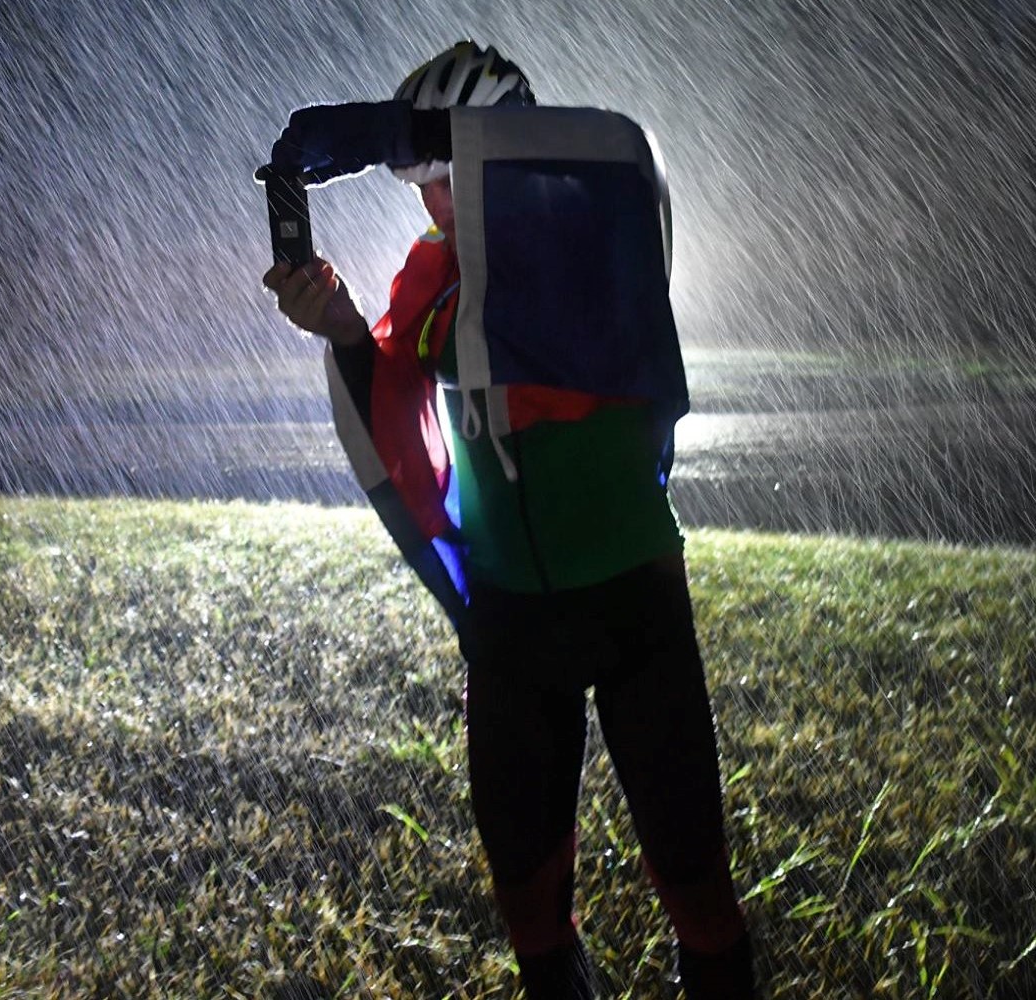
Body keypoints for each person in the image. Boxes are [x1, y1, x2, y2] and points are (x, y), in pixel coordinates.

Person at [260, 41, 753, 1000]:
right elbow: (400, 408)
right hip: (511, 622)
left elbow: (620, 152)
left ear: (514, 152)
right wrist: (344, 326)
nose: (440, 205)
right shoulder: (430, 270)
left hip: (633, 598)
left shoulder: (592, 218)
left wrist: (394, 131)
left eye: (450, 176)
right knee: (529, 905)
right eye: (425, 186)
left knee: (696, 885)